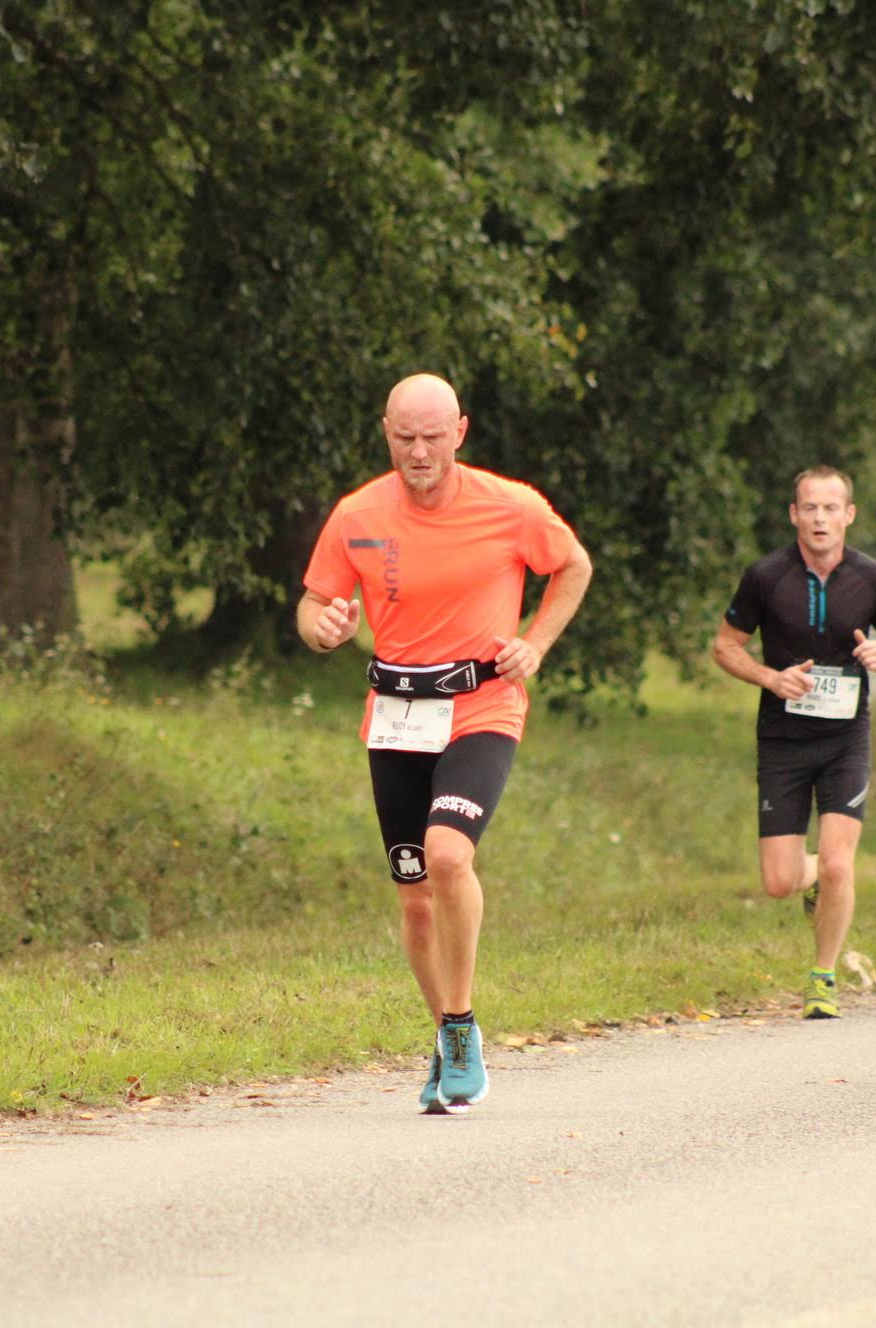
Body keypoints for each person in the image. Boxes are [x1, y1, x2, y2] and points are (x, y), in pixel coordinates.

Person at [297, 373, 592, 1115]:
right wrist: (322, 627)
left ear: (460, 430)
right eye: (405, 437)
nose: (419, 452)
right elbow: (315, 601)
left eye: (433, 436)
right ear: (386, 433)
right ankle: (447, 1035)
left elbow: (573, 565)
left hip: (482, 704)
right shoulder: (358, 514)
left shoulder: (510, 506)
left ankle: (460, 1025)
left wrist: (536, 643)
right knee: (415, 899)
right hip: (397, 714)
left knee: (449, 856)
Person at [713, 465, 876, 1021]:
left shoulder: (874, 579)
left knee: (837, 864)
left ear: (849, 514)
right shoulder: (766, 576)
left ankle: (822, 978)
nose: (820, 518)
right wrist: (770, 678)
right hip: (783, 739)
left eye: (831, 508)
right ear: (794, 515)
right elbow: (725, 646)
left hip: (845, 739)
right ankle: (814, 883)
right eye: (810, 508)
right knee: (779, 882)